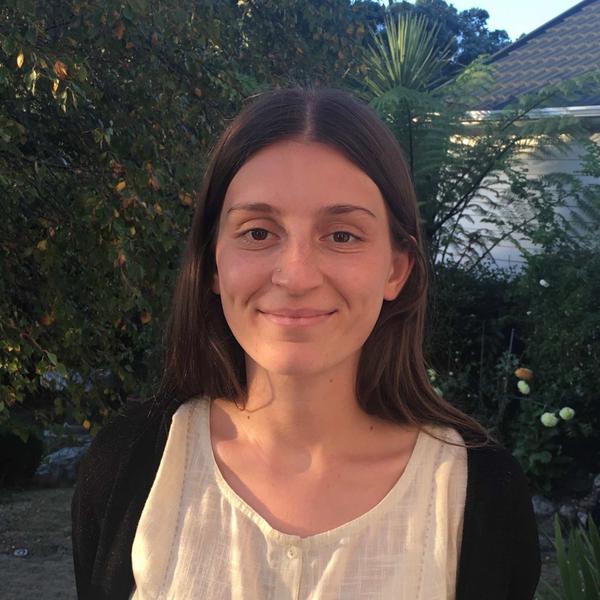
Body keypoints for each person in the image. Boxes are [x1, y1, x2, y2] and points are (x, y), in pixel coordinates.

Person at [71, 87, 541, 600]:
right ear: (212, 263)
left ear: (396, 269)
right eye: (257, 232)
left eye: (342, 235)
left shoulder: (480, 494)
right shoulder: (126, 466)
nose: (295, 276)